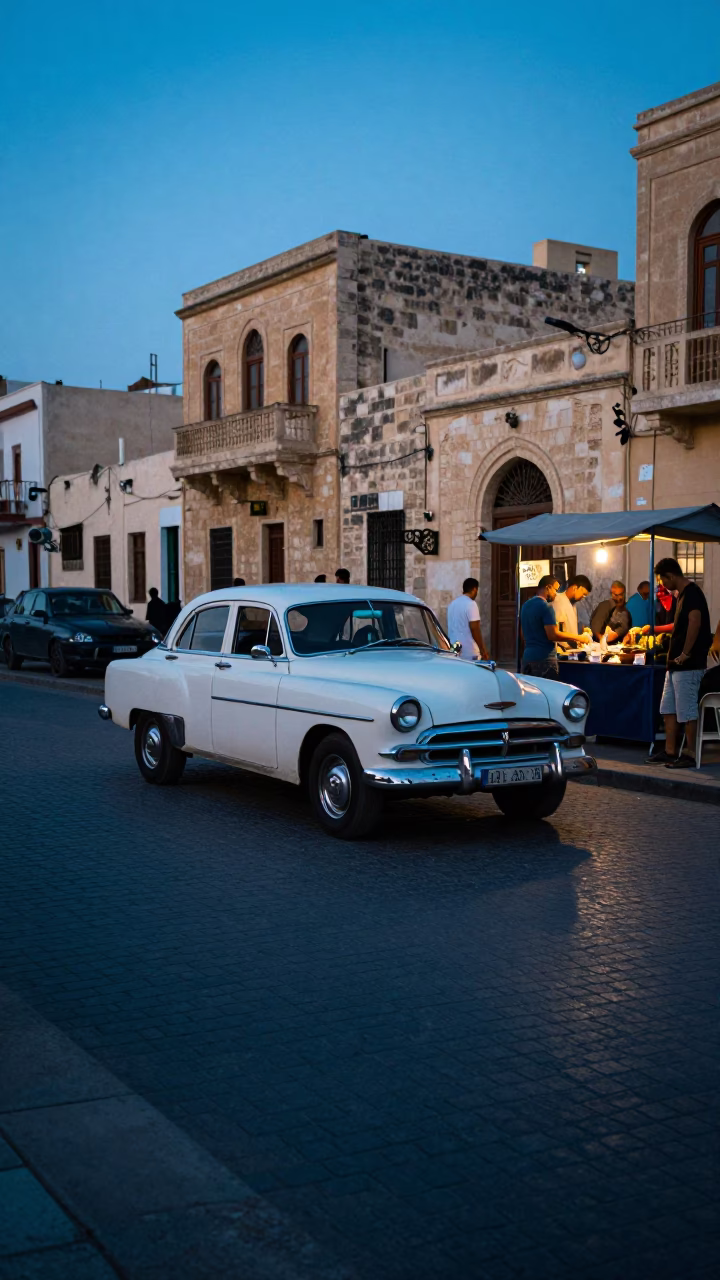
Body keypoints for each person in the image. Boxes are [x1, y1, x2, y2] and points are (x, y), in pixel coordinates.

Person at [647, 557, 712, 769]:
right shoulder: (681, 596)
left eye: (663, 580)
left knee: (687, 710)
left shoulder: (692, 594)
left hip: (688, 664)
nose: (663, 586)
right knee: (668, 709)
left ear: (671, 575)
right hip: (674, 665)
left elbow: (695, 622)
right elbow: (680, 624)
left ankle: (690, 753)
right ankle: (670, 750)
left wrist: (685, 652)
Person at [521, 575, 590, 679]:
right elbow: (553, 635)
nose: (556, 594)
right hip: (544, 661)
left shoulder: (525, 605)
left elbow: (522, 633)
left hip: (527, 658)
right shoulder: (546, 607)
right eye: (555, 590)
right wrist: (579, 638)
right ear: (548, 588)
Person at [447, 578, 489, 661]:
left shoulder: (452, 604)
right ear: (474, 589)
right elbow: (475, 628)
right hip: (469, 653)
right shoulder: (471, 604)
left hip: (454, 651)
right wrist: (483, 649)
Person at [552, 574, 593, 647]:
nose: (583, 598)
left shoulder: (573, 604)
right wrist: (579, 638)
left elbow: (570, 629)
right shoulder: (558, 601)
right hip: (560, 650)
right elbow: (557, 632)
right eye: (583, 594)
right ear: (575, 588)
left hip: (570, 649)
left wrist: (582, 634)